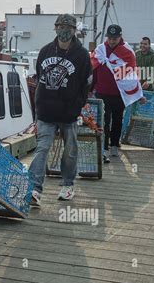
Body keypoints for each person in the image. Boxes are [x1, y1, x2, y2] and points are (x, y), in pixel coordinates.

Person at [28, 14, 91, 205]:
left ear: (75, 31)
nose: (65, 30)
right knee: (42, 148)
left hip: (69, 113)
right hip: (46, 111)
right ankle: (34, 188)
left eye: (69, 27)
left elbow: (86, 83)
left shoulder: (82, 55)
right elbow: (40, 76)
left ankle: (67, 184)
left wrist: (77, 105)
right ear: (55, 28)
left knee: (70, 149)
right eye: (61, 26)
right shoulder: (45, 51)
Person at [90, 25, 146, 163]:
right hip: (102, 92)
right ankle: (104, 147)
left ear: (120, 37)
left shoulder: (127, 52)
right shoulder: (100, 50)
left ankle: (114, 145)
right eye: (110, 38)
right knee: (103, 120)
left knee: (117, 120)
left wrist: (139, 94)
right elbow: (94, 70)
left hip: (119, 93)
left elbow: (132, 74)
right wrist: (90, 89)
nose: (112, 41)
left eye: (115, 38)